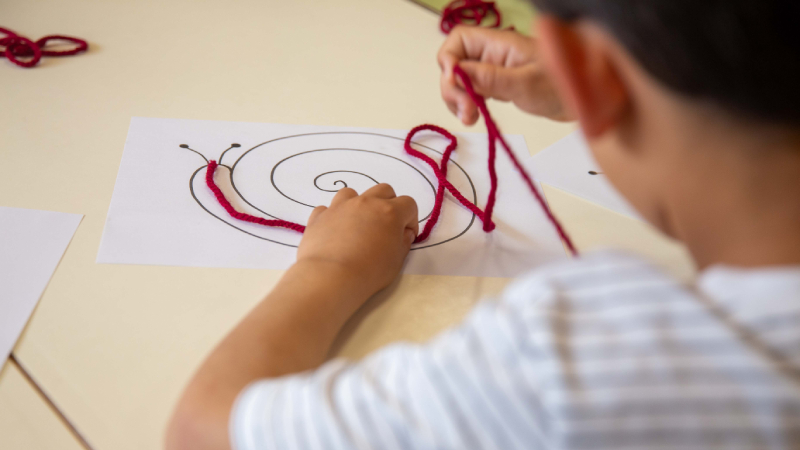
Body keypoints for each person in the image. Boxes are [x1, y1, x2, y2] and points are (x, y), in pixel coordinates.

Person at [166, 1, 800, 449]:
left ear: (586, 71)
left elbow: (203, 433)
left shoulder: (585, 363)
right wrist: (597, 90)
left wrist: (331, 268)